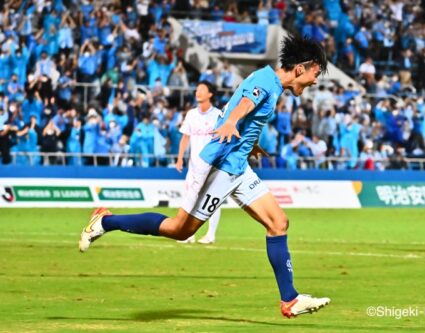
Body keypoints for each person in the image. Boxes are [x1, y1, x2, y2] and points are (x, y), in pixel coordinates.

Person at [79, 34, 331, 317]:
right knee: (180, 230)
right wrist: (233, 122)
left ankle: (290, 299)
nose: (315, 80)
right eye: (315, 73)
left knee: (278, 222)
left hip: (238, 166)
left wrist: (249, 142)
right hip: (218, 167)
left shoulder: (269, 81)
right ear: (301, 68)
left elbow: (244, 108)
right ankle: (106, 221)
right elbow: (243, 105)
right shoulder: (267, 83)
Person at [175, 81, 222, 245]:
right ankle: (188, 234)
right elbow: (185, 137)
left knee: (211, 199)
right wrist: (180, 158)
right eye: (197, 89)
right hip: (194, 166)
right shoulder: (191, 114)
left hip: (211, 165)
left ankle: (210, 234)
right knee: (190, 198)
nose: (198, 92)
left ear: (210, 94)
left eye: (202, 90)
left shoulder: (218, 115)